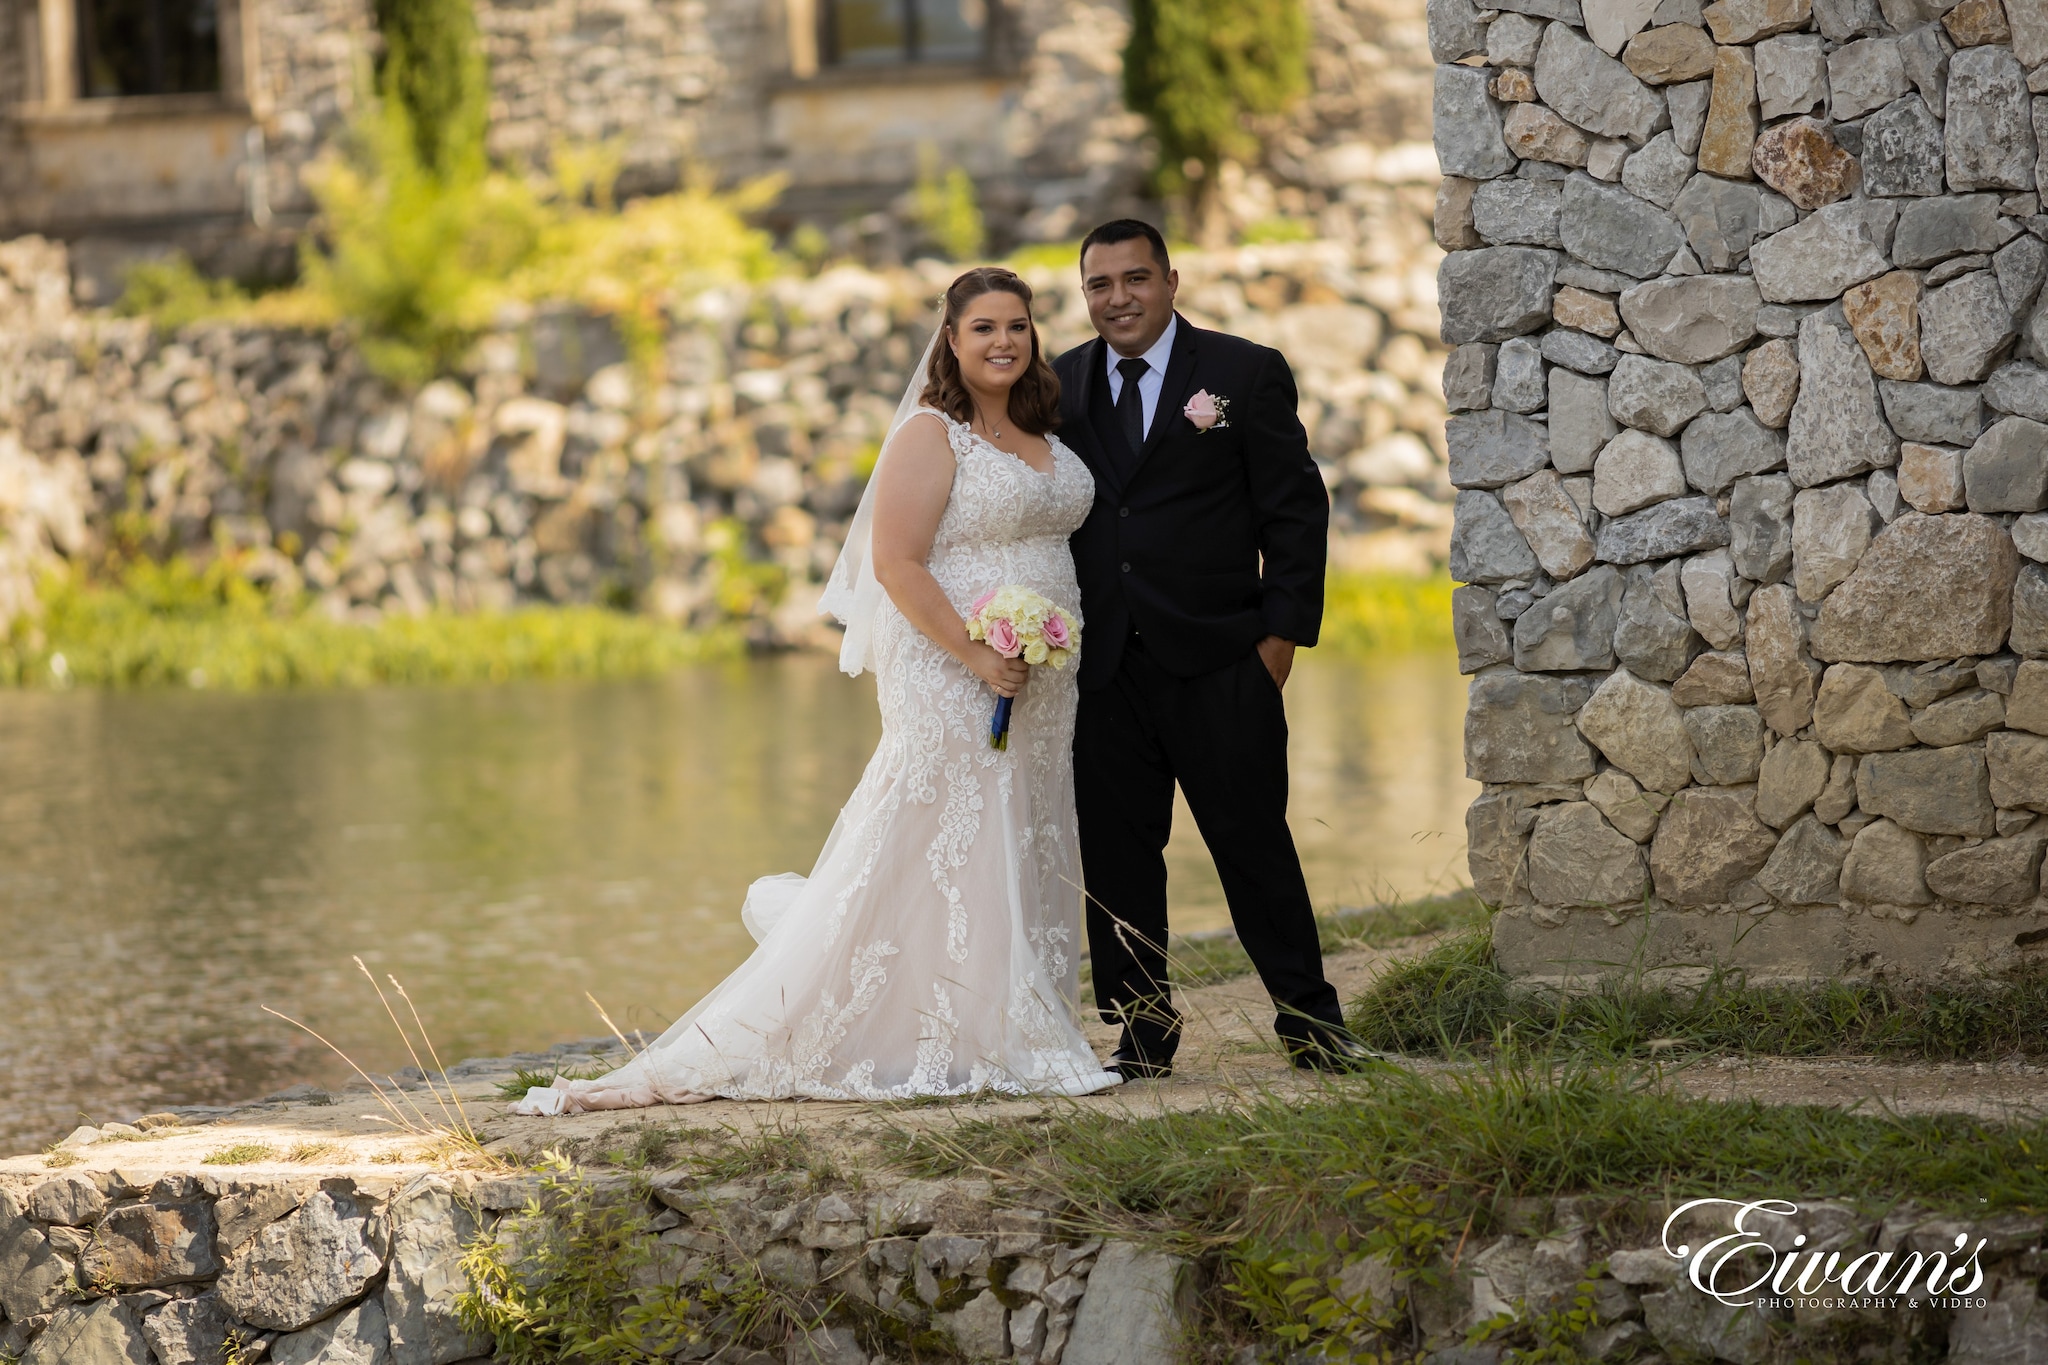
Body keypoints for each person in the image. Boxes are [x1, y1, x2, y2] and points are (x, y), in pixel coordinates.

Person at [512, 267, 1120, 1112]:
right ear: (951, 338)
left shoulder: (1043, 430)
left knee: (1020, 828)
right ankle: (986, 1030)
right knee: (945, 831)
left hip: (1042, 679)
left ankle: (1011, 1013)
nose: (1004, 341)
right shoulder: (929, 434)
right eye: (983, 327)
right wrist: (977, 654)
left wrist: (1033, 643)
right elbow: (897, 563)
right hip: (953, 668)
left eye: (1017, 325)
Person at [1052, 219, 1382, 1079]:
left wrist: (1279, 638)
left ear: (1170, 280)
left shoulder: (1241, 372)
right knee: (1119, 860)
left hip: (1222, 660)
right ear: (1085, 294)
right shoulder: (1059, 385)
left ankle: (1313, 1022)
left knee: (1253, 845)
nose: (1118, 298)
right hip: (1104, 669)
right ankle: (1142, 1036)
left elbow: (1296, 510)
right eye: (1100, 284)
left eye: (1134, 278)